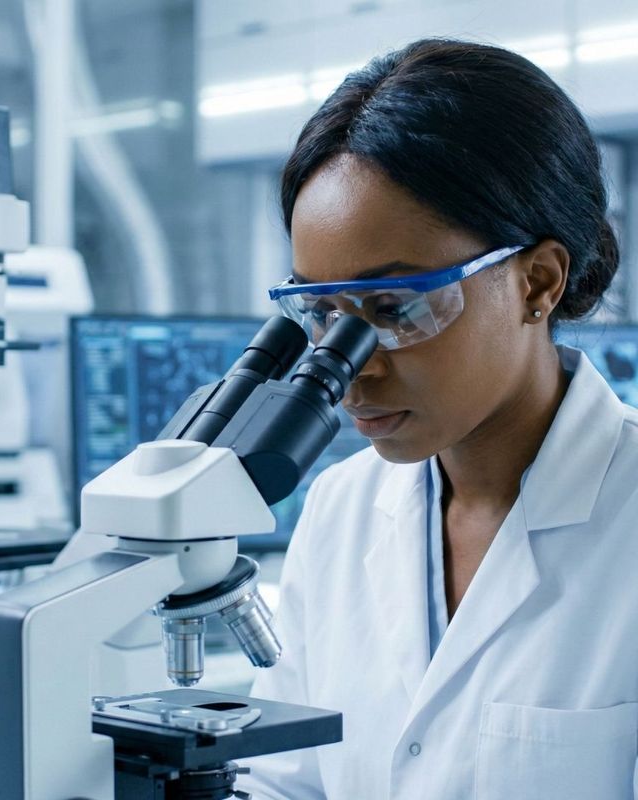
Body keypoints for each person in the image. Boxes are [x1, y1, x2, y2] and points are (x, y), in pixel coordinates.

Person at [238, 38, 637, 799]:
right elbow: (286, 782)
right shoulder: (341, 509)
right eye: (322, 312)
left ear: (538, 282)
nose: (353, 367)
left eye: (394, 308)